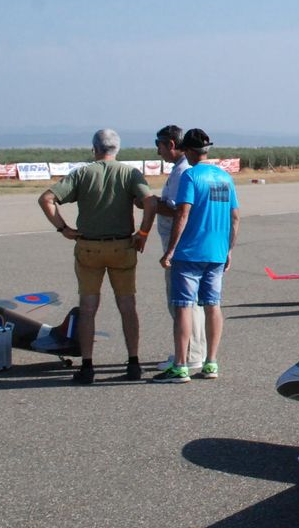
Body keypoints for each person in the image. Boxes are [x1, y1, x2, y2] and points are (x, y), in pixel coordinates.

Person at [37, 128, 152, 384]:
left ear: (94, 149)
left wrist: (64, 229)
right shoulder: (130, 173)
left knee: (88, 308)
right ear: (117, 149)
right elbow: (150, 202)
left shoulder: (82, 173)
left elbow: (46, 199)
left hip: (89, 247)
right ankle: (134, 363)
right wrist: (143, 232)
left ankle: (87, 367)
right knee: (127, 306)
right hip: (122, 246)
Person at [152, 129, 238, 383]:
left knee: (183, 308)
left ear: (188, 151)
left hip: (190, 252)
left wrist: (170, 250)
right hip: (216, 252)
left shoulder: (190, 176)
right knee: (213, 305)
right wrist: (229, 249)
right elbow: (234, 217)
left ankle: (181, 365)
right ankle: (211, 362)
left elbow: (183, 213)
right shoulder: (224, 178)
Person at [139, 125, 205, 375]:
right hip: (186, 245)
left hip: (180, 247)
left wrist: (153, 204)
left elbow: (180, 210)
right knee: (190, 302)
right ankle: (192, 351)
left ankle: (189, 355)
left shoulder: (183, 172)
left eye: (160, 145)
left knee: (181, 303)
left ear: (172, 145)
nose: (158, 151)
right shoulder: (180, 170)